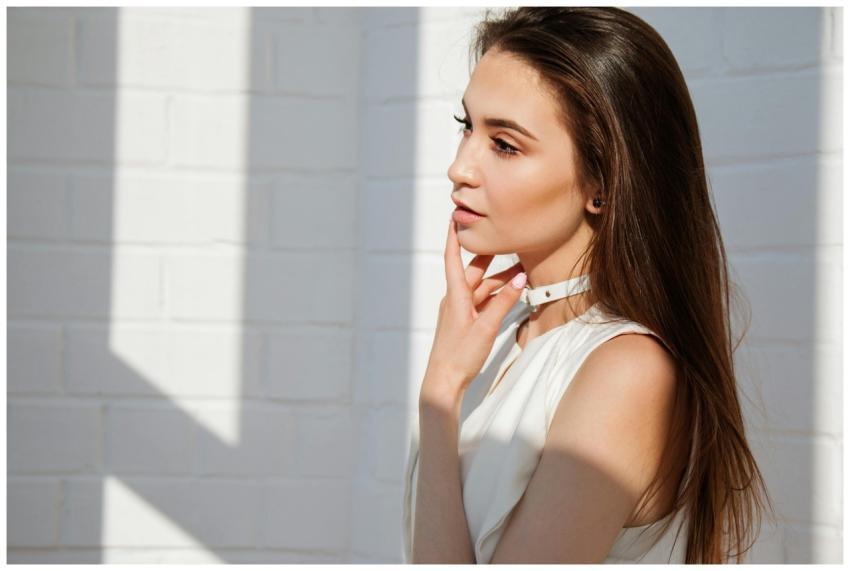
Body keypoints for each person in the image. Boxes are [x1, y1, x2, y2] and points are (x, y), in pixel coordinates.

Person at [401, 7, 775, 564]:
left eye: (504, 144)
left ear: (600, 183)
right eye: (468, 127)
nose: (461, 167)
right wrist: (446, 380)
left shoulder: (626, 371)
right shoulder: (506, 336)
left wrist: (440, 391)